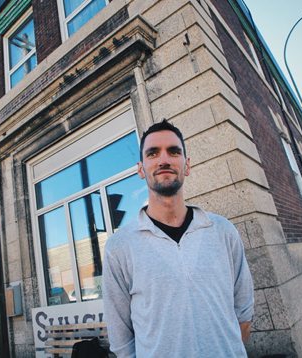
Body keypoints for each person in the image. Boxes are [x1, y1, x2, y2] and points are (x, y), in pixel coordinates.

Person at [102, 120, 254, 357]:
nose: (164, 160)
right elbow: (121, 340)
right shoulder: (120, 246)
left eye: (174, 151)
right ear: (141, 169)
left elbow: (244, 315)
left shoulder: (223, 231)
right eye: (153, 153)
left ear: (187, 165)